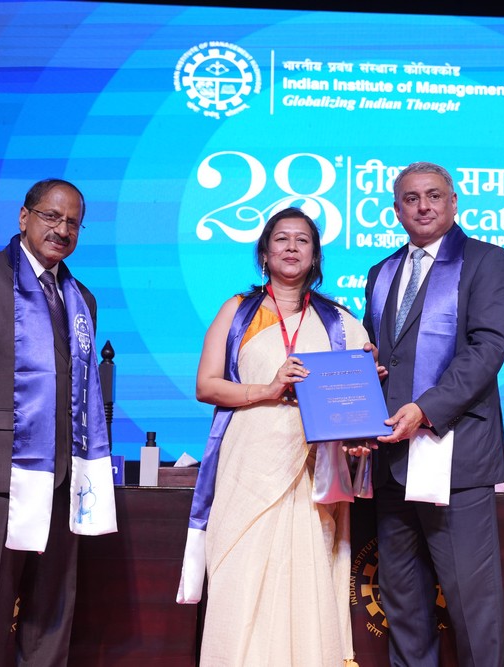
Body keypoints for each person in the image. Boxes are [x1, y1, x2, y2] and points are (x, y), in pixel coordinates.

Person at [177, 207, 373, 667]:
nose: (291, 247)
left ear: (315, 256)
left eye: (302, 240)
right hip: (247, 466)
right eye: (281, 239)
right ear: (264, 253)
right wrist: (267, 389)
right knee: (240, 573)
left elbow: (357, 404)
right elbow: (206, 385)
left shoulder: (340, 322)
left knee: (305, 574)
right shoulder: (237, 311)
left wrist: (366, 383)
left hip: (312, 471)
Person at [0, 178, 117, 666]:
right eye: (51, 217)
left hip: (65, 481)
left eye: (73, 223)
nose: (62, 230)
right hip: (0, 477)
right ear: (24, 217)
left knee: (51, 617)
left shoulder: (81, 297)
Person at [363, 161, 504, 667]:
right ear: (396, 210)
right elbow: (381, 358)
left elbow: (486, 350)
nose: (423, 206)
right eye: (411, 198)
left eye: (434, 195)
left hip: (455, 458)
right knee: (403, 602)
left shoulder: (487, 261)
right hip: (392, 460)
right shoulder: (382, 272)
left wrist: (426, 410)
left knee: (473, 607)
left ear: (454, 202)